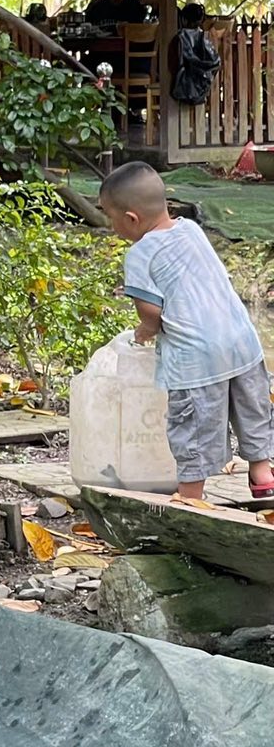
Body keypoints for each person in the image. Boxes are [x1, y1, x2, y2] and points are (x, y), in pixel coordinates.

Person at [99, 163, 274, 501]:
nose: (111, 225)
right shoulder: (191, 229)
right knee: (251, 409)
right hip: (243, 342)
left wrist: (145, 332)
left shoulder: (140, 254)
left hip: (196, 358)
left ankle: (191, 495)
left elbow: (151, 312)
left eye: (111, 217)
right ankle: (262, 473)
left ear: (131, 219)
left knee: (194, 426)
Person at [171, 3, 220, 106]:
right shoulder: (203, 37)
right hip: (202, 85)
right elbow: (215, 62)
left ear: (183, 19)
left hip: (185, 86)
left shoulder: (181, 36)